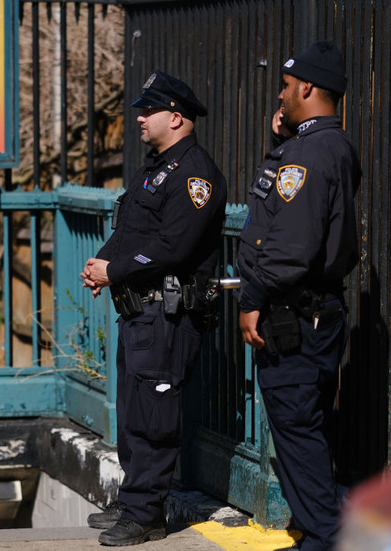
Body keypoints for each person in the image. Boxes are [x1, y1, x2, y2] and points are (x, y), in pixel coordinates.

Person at [81, 71, 226, 546]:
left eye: (149, 111)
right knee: (132, 415)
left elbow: (172, 247)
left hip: (168, 314)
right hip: (140, 313)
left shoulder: (194, 173)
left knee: (154, 417)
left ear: (177, 117)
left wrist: (115, 270)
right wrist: (103, 260)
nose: (140, 118)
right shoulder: (154, 169)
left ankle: (145, 514)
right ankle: (133, 502)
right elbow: (132, 230)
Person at [236, 41, 361, 551]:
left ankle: (328, 537)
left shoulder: (307, 154)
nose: (281, 95)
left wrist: (251, 299)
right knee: (310, 427)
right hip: (320, 314)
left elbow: (288, 244)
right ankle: (321, 531)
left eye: (286, 86)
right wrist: (284, 142)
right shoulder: (328, 146)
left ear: (306, 87)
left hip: (294, 316)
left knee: (296, 429)